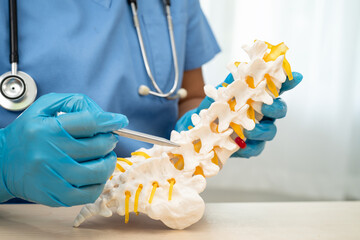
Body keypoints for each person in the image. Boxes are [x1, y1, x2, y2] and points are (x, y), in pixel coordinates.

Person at [0, 0, 302, 207]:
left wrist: (214, 124)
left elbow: (191, 94)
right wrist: (4, 166)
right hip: (26, 220)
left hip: (154, 208)